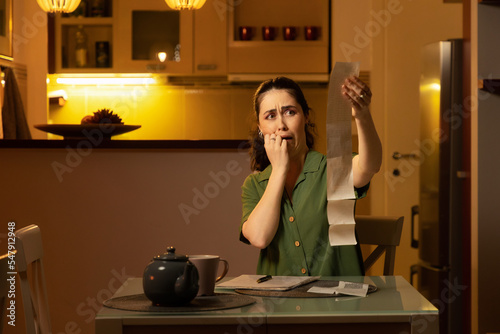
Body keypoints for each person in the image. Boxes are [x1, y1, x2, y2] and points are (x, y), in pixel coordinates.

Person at [239, 76, 382, 276]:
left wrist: (362, 114)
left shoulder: (332, 169)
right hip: (278, 305)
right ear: (261, 129)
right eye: (270, 116)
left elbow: (369, 166)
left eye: (290, 112)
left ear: (305, 117)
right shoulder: (254, 184)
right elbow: (260, 238)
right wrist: (279, 170)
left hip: (337, 303)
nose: (281, 125)